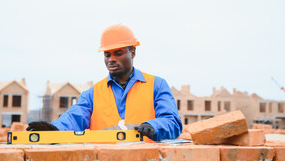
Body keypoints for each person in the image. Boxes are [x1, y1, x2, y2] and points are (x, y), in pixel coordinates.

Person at [27, 24, 182, 141]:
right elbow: (75, 116)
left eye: (118, 53)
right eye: (107, 55)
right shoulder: (93, 94)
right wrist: (56, 129)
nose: (111, 59)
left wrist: (154, 126)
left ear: (133, 52)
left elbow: (172, 122)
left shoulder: (156, 85)